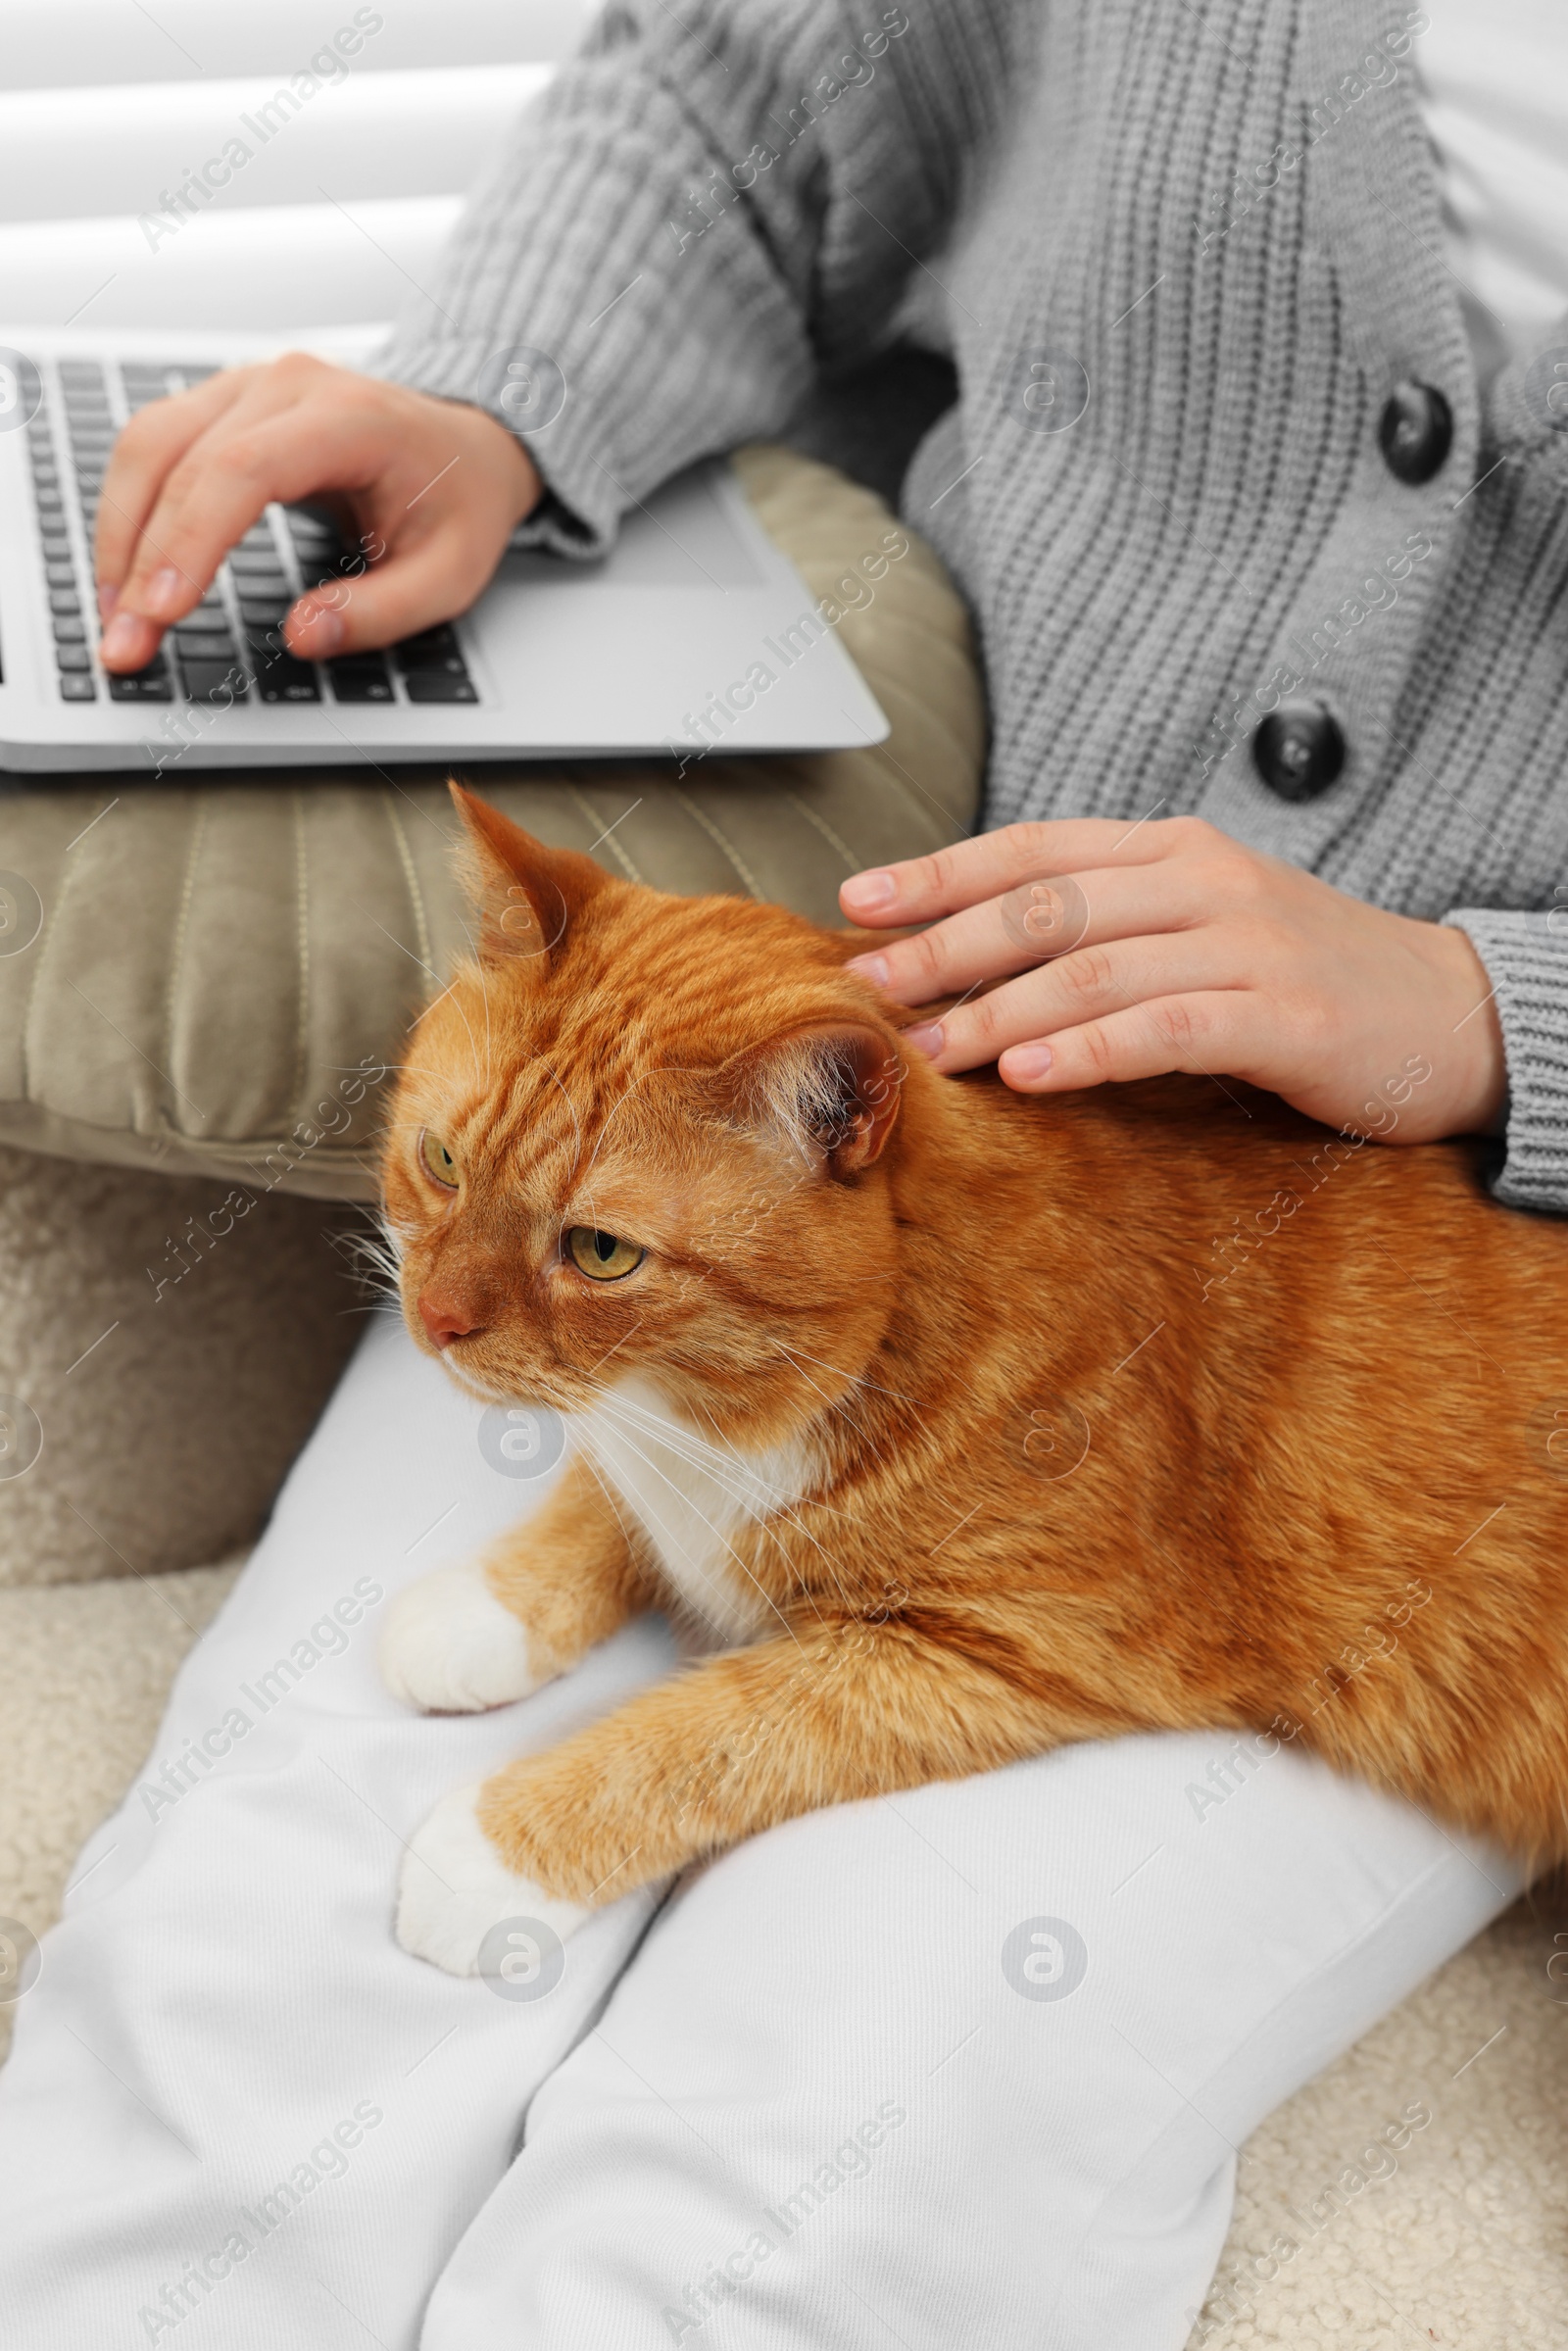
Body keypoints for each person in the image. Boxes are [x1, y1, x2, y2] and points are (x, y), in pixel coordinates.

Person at [4, 0, 1560, 2341]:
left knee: (805, 2162)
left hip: (1431, 1344)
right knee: (255, 1980)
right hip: (811, 1101)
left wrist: (1490, 1009)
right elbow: (757, 80)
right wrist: (497, 399)